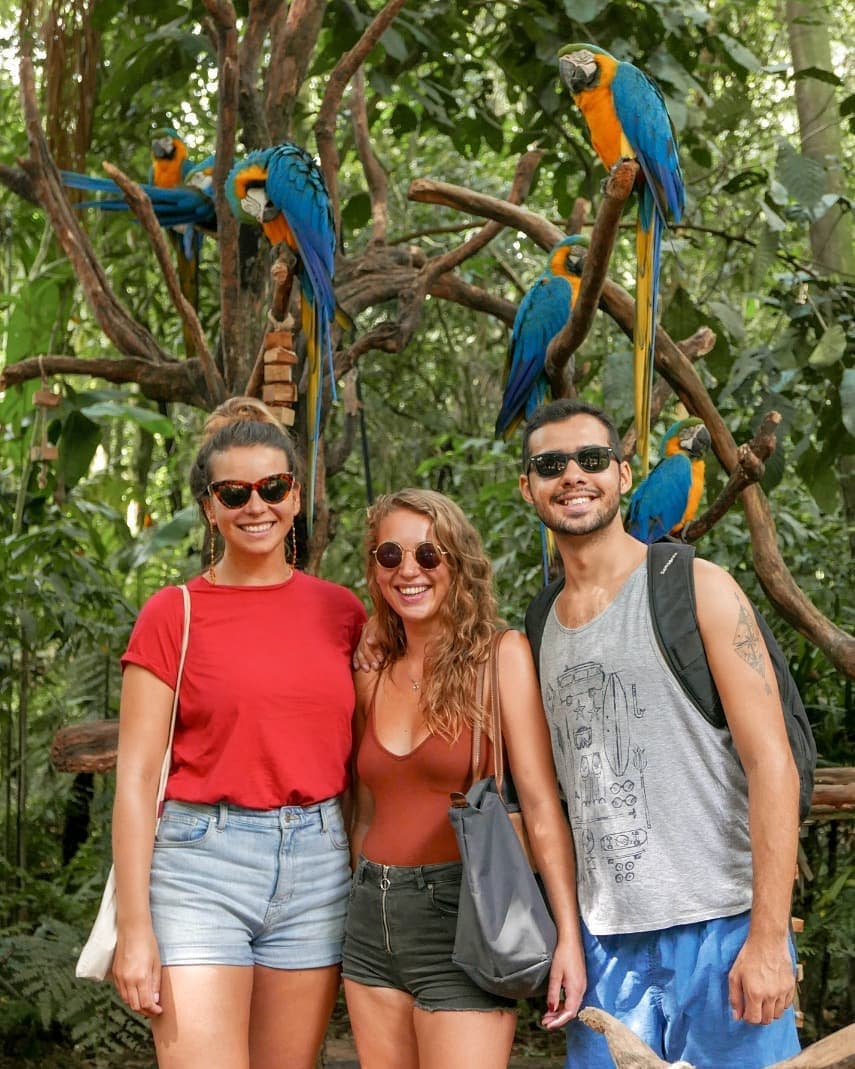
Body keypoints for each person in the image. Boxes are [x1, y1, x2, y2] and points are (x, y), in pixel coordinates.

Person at [517, 398, 801, 1069]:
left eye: (591, 459)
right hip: (607, 948)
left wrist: (766, 937)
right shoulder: (538, 626)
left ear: (622, 472)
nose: (572, 475)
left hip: (723, 929)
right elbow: (546, 802)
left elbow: (771, 763)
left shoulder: (696, 586)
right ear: (526, 484)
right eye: (550, 464)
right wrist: (567, 937)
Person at [110, 397, 366, 1069]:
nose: (257, 505)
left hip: (316, 862)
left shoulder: (341, 611)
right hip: (201, 863)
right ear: (209, 506)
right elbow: (137, 778)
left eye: (273, 487)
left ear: (296, 495)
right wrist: (135, 928)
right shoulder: (174, 613)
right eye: (235, 492)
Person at [342, 488, 586, 1069]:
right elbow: (365, 812)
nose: (409, 571)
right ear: (375, 571)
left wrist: (568, 939)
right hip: (370, 921)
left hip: (467, 917)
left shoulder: (502, 658)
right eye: (390, 556)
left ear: (458, 562)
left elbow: (542, 807)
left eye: (429, 555)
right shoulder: (370, 675)